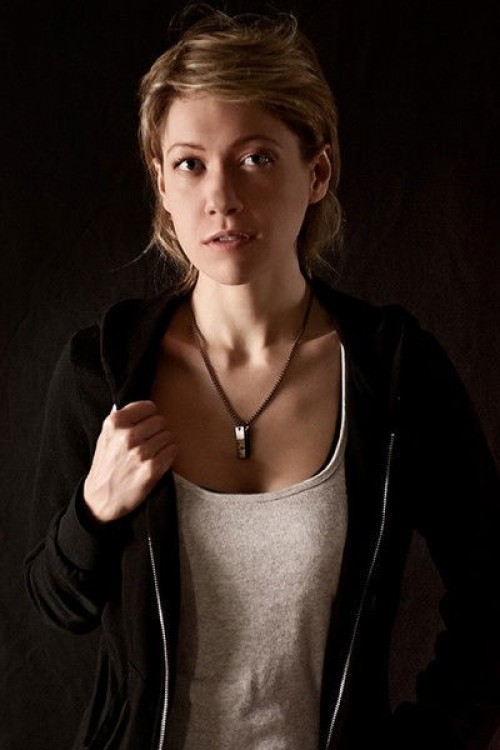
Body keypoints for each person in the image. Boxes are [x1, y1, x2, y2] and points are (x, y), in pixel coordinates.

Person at [25, 9, 500, 750]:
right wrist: (94, 510)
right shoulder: (104, 371)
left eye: (255, 158)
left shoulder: (393, 370)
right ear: (160, 181)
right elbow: (58, 606)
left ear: (318, 173)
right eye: (190, 163)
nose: (221, 196)